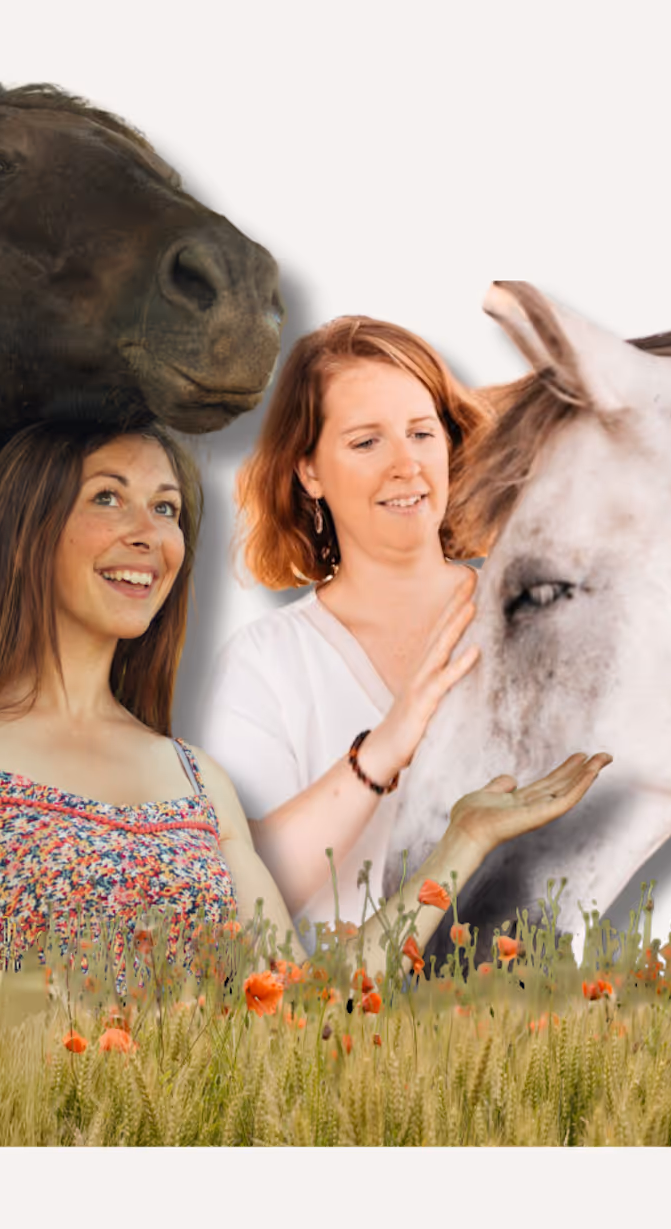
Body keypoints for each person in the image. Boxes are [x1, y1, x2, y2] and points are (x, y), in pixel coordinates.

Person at [0, 418, 609, 979]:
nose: (150, 533)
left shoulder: (195, 781)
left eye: (168, 509)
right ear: (23, 531)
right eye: (108, 498)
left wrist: (461, 846)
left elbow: (297, 1002)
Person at [200, 316, 504, 935]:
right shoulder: (268, 660)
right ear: (308, 471)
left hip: (526, 1012)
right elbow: (244, 896)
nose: (407, 466)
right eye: (367, 442)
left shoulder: (525, 615)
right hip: (337, 1022)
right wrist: (383, 750)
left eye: (422, 433)